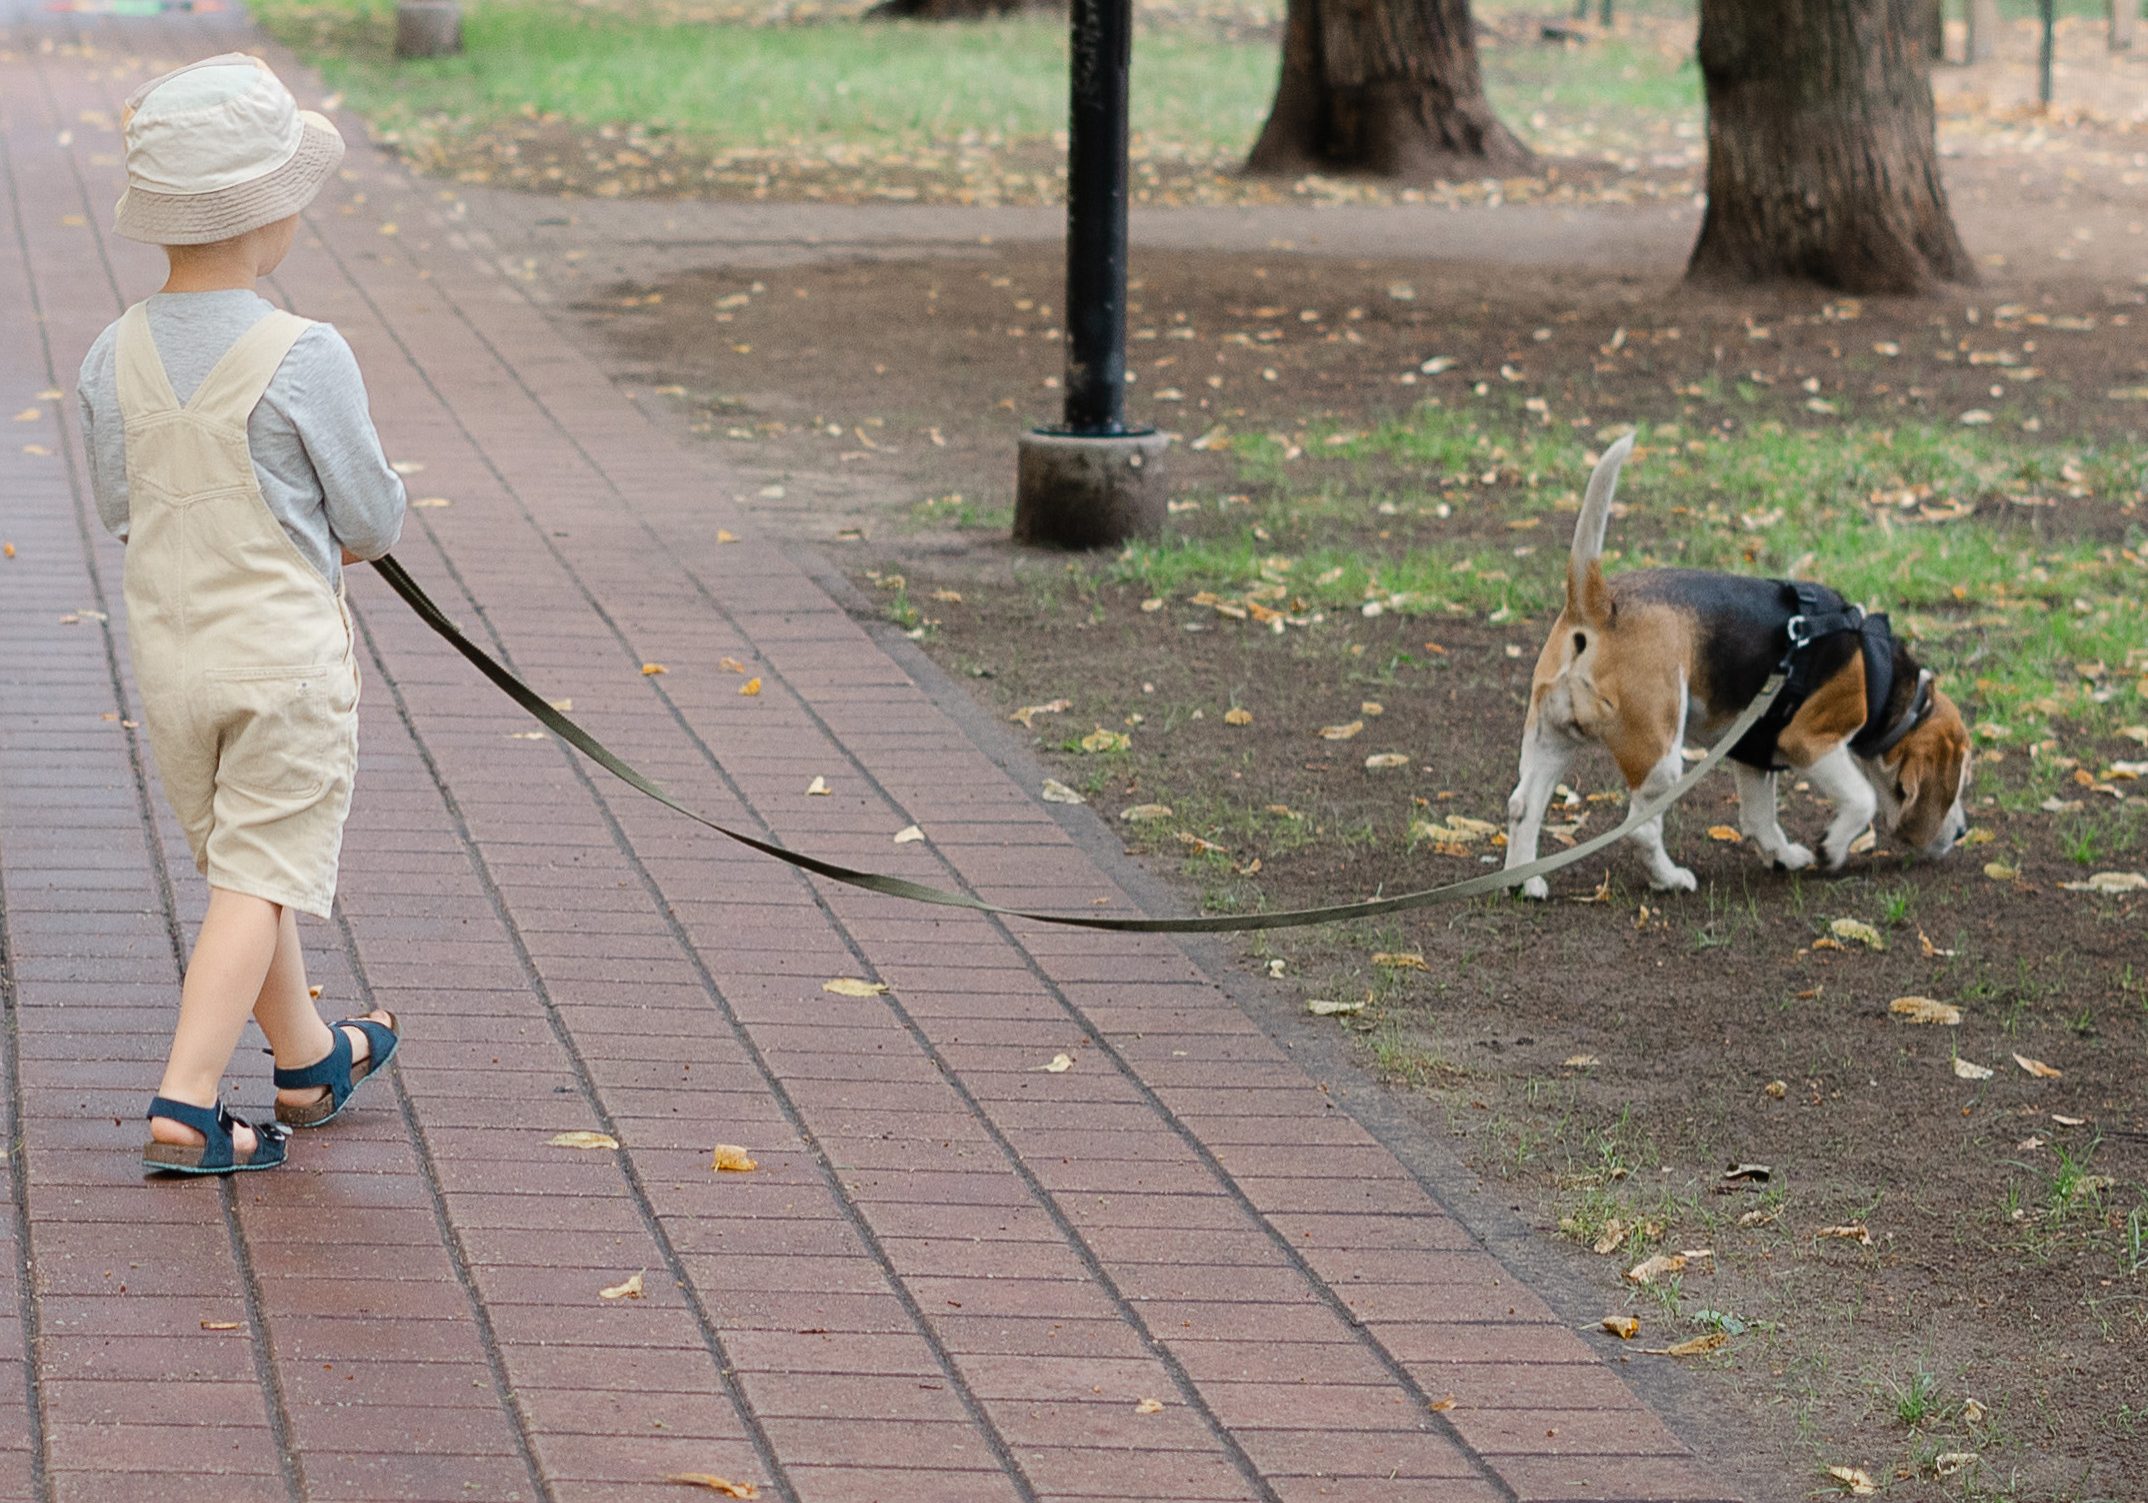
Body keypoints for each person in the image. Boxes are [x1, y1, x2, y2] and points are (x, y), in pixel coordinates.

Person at [77, 53, 406, 1175]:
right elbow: (370, 513)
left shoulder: (105, 356)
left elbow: (128, 507)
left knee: (243, 865)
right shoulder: (304, 352)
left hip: (173, 663)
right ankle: (188, 1101)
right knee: (259, 875)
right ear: (272, 217)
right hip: (282, 664)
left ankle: (312, 1062)